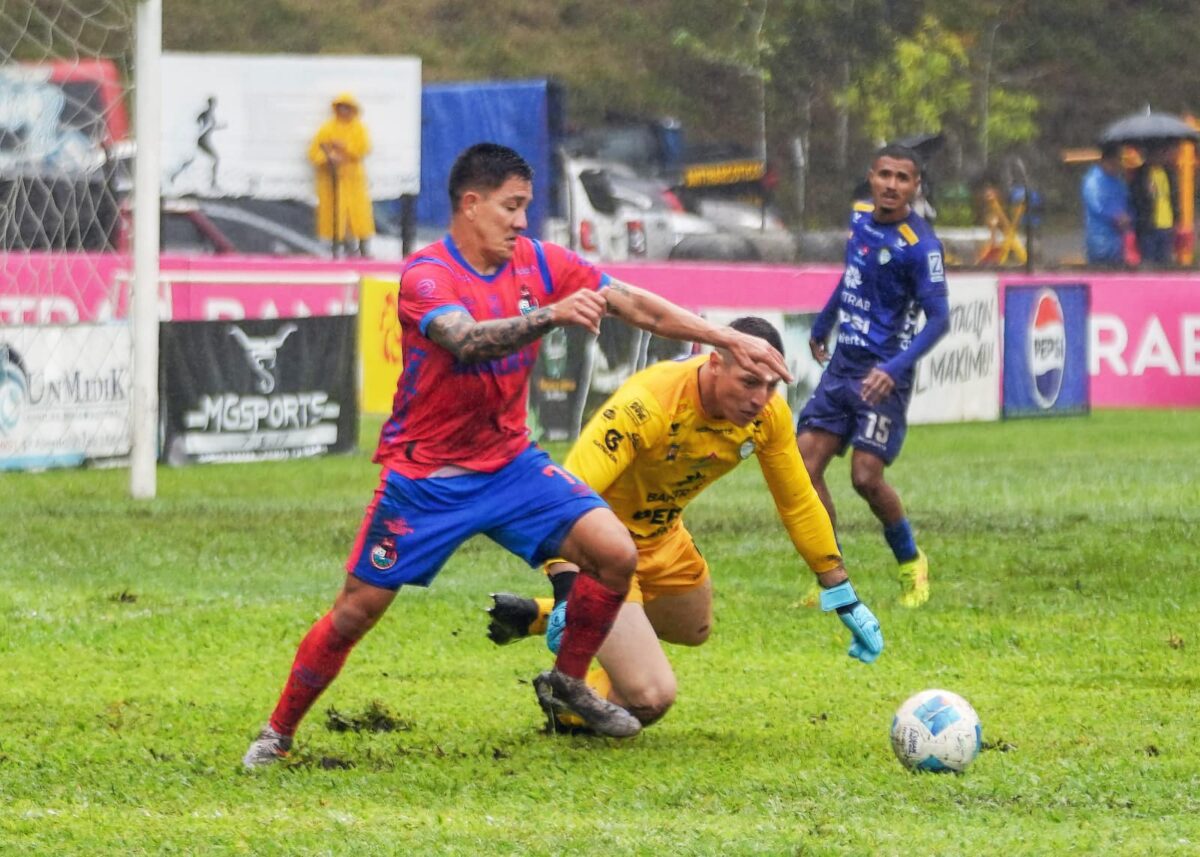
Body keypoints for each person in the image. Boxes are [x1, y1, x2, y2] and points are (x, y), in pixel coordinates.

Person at [242, 142, 791, 767]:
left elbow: (632, 302)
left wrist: (722, 336)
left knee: (613, 553)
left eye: (526, 207)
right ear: (471, 205)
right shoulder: (427, 275)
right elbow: (465, 341)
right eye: (512, 207)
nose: (522, 221)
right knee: (356, 612)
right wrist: (552, 315)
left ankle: (568, 682)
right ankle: (278, 733)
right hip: (429, 477)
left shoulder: (537, 261)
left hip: (509, 465)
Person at [485, 317, 883, 731]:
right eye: (749, 382)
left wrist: (842, 593)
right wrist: (569, 588)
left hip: (664, 539)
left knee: (694, 627)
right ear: (714, 364)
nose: (760, 398)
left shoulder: (768, 415)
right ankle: (567, 701)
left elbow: (798, 501)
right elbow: (564, 499)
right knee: (651, 697)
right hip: (604, 552)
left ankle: (539, 616)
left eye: (771, 385)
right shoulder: (650, 403)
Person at [796, 144, 949, 610]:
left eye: (903, 178)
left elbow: (940, 320)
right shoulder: (860, 219)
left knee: (865, 477)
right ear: (871, 176)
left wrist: (893, 369)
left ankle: (910, 563)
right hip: (843, 365)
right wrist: (823, 322)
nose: (891, 185)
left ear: (915, 186)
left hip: (883, 375)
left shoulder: (920, 246)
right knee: (804, 469)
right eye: (885, 174)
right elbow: (852, 278)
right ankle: (831, 579)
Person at [308, 92, 376, 258]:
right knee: (337, 217)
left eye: (347, 108)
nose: (344, 111)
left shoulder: (359, 128)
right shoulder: (327, 128)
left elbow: (364, 148)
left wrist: (344, 148)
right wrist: (328, 158)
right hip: (333, 180)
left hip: (353, 179)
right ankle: (344, 248)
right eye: (341, 107)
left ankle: (364, 247)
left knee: (359, 216)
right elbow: (314, 153)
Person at [1081, 143, 1135, 268]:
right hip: (1099, 238)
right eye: (1115, 162)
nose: (1118, 166)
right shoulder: (1093, 181)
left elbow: (1126, 202)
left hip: (1118, 240)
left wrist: (1128, 217)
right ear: (1106, 161)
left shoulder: (1118, 181)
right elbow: (1096, 205)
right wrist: (1115, 217)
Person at [1130, 142, 1179, 266]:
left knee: (1165, 262)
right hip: (1149, 226)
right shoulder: (1141, 174)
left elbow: (1173, 196)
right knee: (1149, 262)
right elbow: (1136, 198)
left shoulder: (1168, 172)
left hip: (1166, 225)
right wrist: (1146, 191)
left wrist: (1176, 218)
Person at [169, 95, 224, 190]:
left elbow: (206, 124)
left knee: (193, 159)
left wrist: (219, 126)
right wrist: (203, 128)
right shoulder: (207, 114)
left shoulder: (208, 114)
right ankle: (213, 183)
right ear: (210, 103)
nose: (213, 105)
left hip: (203, 140)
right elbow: (205, 125)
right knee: (216, 159)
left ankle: (174, 176)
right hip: (203, 141)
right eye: (212, 103)